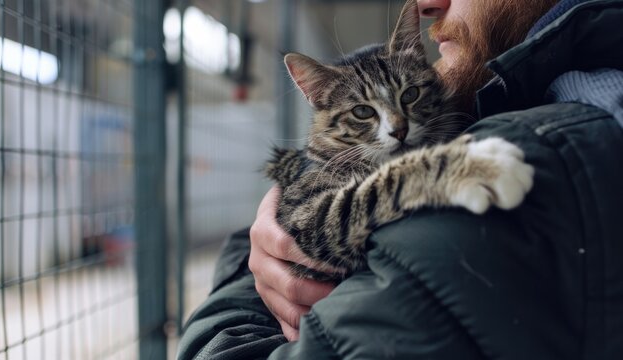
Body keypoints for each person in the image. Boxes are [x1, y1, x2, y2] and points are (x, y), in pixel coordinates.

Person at [177, 0, 623, 358]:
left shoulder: (548, 143)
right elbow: (313, 231)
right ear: (318, 102)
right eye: (363, 113)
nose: (397, 126)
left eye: (409, 96)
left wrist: (243, 261)